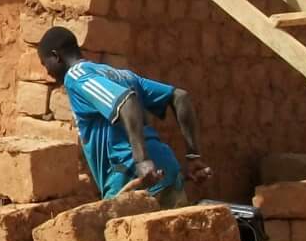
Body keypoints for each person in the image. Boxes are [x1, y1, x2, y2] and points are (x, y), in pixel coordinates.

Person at [36, 25, 209, 205]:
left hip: (132, 177)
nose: (46, 71)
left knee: (120, 232)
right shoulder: (120, 74)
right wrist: (193, 157)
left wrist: (142, 160)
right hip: (168, 172)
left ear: (56, 56)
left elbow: (127, 102)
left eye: (44, 63)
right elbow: (180, 97)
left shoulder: (76, 77)